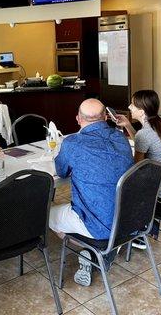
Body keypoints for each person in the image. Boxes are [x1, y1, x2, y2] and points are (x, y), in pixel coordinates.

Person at [50, 98, 133, 287]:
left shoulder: (73, 143)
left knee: (47, 214)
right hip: (128, 219)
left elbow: (61, 171)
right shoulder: (121, 138)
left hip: (99, 224)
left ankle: (95, 251)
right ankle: (103, 249)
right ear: (105, 117)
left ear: (78, 119)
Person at [115, 90, 161, 246]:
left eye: (132, 104)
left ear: (141, 111)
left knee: (122, 186)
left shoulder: (145, 134)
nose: (129, 107)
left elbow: (135, 169)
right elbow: (142, 141)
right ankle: (150, 227)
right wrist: (128, 125)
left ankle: (138, 234)